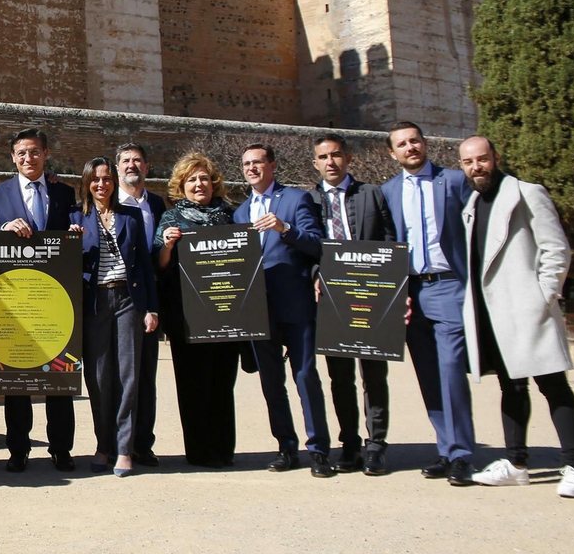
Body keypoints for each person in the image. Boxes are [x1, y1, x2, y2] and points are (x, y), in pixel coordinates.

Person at [458, 137, 574, 498]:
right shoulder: (471, 203)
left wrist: (543, 295)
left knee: (553, 386)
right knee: (511, 387)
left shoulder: (527, 193)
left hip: (527, 307)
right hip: (493, 312)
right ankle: (516, 464)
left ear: (496, 158)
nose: (476, 167)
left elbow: (555, 247)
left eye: (482, 159)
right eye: (469, 162)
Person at [381, 121, 476, 486]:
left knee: (452, 368)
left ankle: (462, 454)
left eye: (415, 141)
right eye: (402, 144)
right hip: (408, 292)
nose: (410, 148)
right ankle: (445, 448)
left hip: (448, 285)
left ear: (424, 144)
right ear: (393, 153)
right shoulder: (387, 191)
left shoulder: (453, 181)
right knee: (428, 375)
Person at [234, 144, 334, 477]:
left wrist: (284, 229)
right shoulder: (240, 212)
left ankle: (319, 450)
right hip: (258, 309)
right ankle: (286, 447)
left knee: (306, 376)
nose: (252, 168)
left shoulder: (295, 200)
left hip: (295, 303)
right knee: (271, 382)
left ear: (272, 166)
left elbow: (317, 244)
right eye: (247, 164)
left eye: (258, 162)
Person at [0, 128, 78, 472]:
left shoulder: (64, 192)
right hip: (16, 298)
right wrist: (4, 229)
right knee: (16, 377)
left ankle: (61, 448)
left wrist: (74, 234)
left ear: (46, 153)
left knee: (59, 377)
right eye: (22, 153)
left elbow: (77, 230)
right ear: (13, 157)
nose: (28, 158)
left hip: (55, 298)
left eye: (35, 152)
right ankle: (18, 449)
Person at [308, 133, 398, 475]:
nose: (330, 162)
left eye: (336, 155)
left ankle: (376, 445)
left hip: (372, 295)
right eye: (323, 157)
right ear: (315, 163)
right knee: (340, 376)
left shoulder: (372, 194)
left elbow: (390, 242)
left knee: (375, 374)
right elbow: (307, 245)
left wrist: (391, 286)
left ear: (347, 158)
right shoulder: (309, 200)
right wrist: (316, 273)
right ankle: (349, 443)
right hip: (332, 296)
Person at [70, 157, 158, 475]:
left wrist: (151, 308)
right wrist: (72, 243)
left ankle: (124, 448)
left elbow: (146, 267)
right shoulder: (75, 217)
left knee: (128, 375)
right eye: (95, 179)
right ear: (86, 182)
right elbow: (68, 266)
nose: (102, 184)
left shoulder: (131, 216)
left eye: (107, 178)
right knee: (99, 377)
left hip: (128, 299)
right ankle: (102, 445)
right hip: (95, 302)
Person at [154, 153, 241, 468]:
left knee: (221, 383)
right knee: (193, 385)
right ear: (182, 186)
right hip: (187, 317)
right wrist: (167, 245)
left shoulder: (229, 216)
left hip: (225, 314)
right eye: (192, 179)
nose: (199, 184)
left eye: (204, 178)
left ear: (213, 182)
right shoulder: (171, 219)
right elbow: (159, 267)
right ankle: (199, 451)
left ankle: (223, 449)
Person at [114, 143, 167, 467]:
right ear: (118, 167)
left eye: (137, 161)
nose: (132, 165)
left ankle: (143, 444)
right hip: (116, 301)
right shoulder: (105, 204)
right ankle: (117, 443)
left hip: (148, 300)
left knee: (146, 376)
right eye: (126, 161)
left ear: (147, 167)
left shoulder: (158, 205)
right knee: (118, 378)